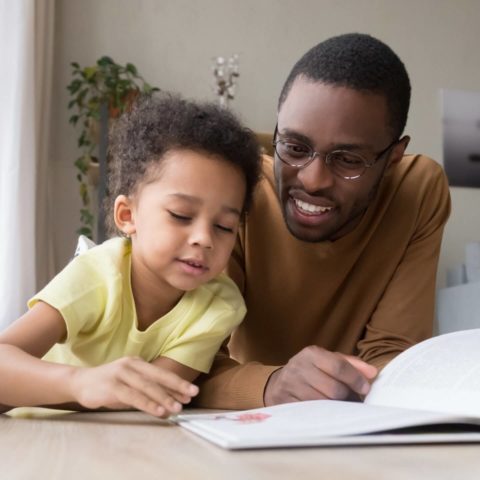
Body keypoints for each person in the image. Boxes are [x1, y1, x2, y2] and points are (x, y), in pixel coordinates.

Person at [195, 33, 451, 409]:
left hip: (351, 428)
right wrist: (272, 385)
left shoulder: (417, 190)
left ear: (394, 156)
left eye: (347, 160)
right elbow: (184, 365)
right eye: (295, 148)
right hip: (245, 427)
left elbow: (393, 354)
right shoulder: (235, 189)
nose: (312, 180)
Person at [0, 93, 261, 417]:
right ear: (127, 215)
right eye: (181, 215)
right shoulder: (98, 274)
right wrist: (82, 384)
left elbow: (155, 396)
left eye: (224, 226)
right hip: (35, 439)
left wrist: (111, 393)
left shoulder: (220, 305)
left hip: (118, 446)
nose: (204, 239)